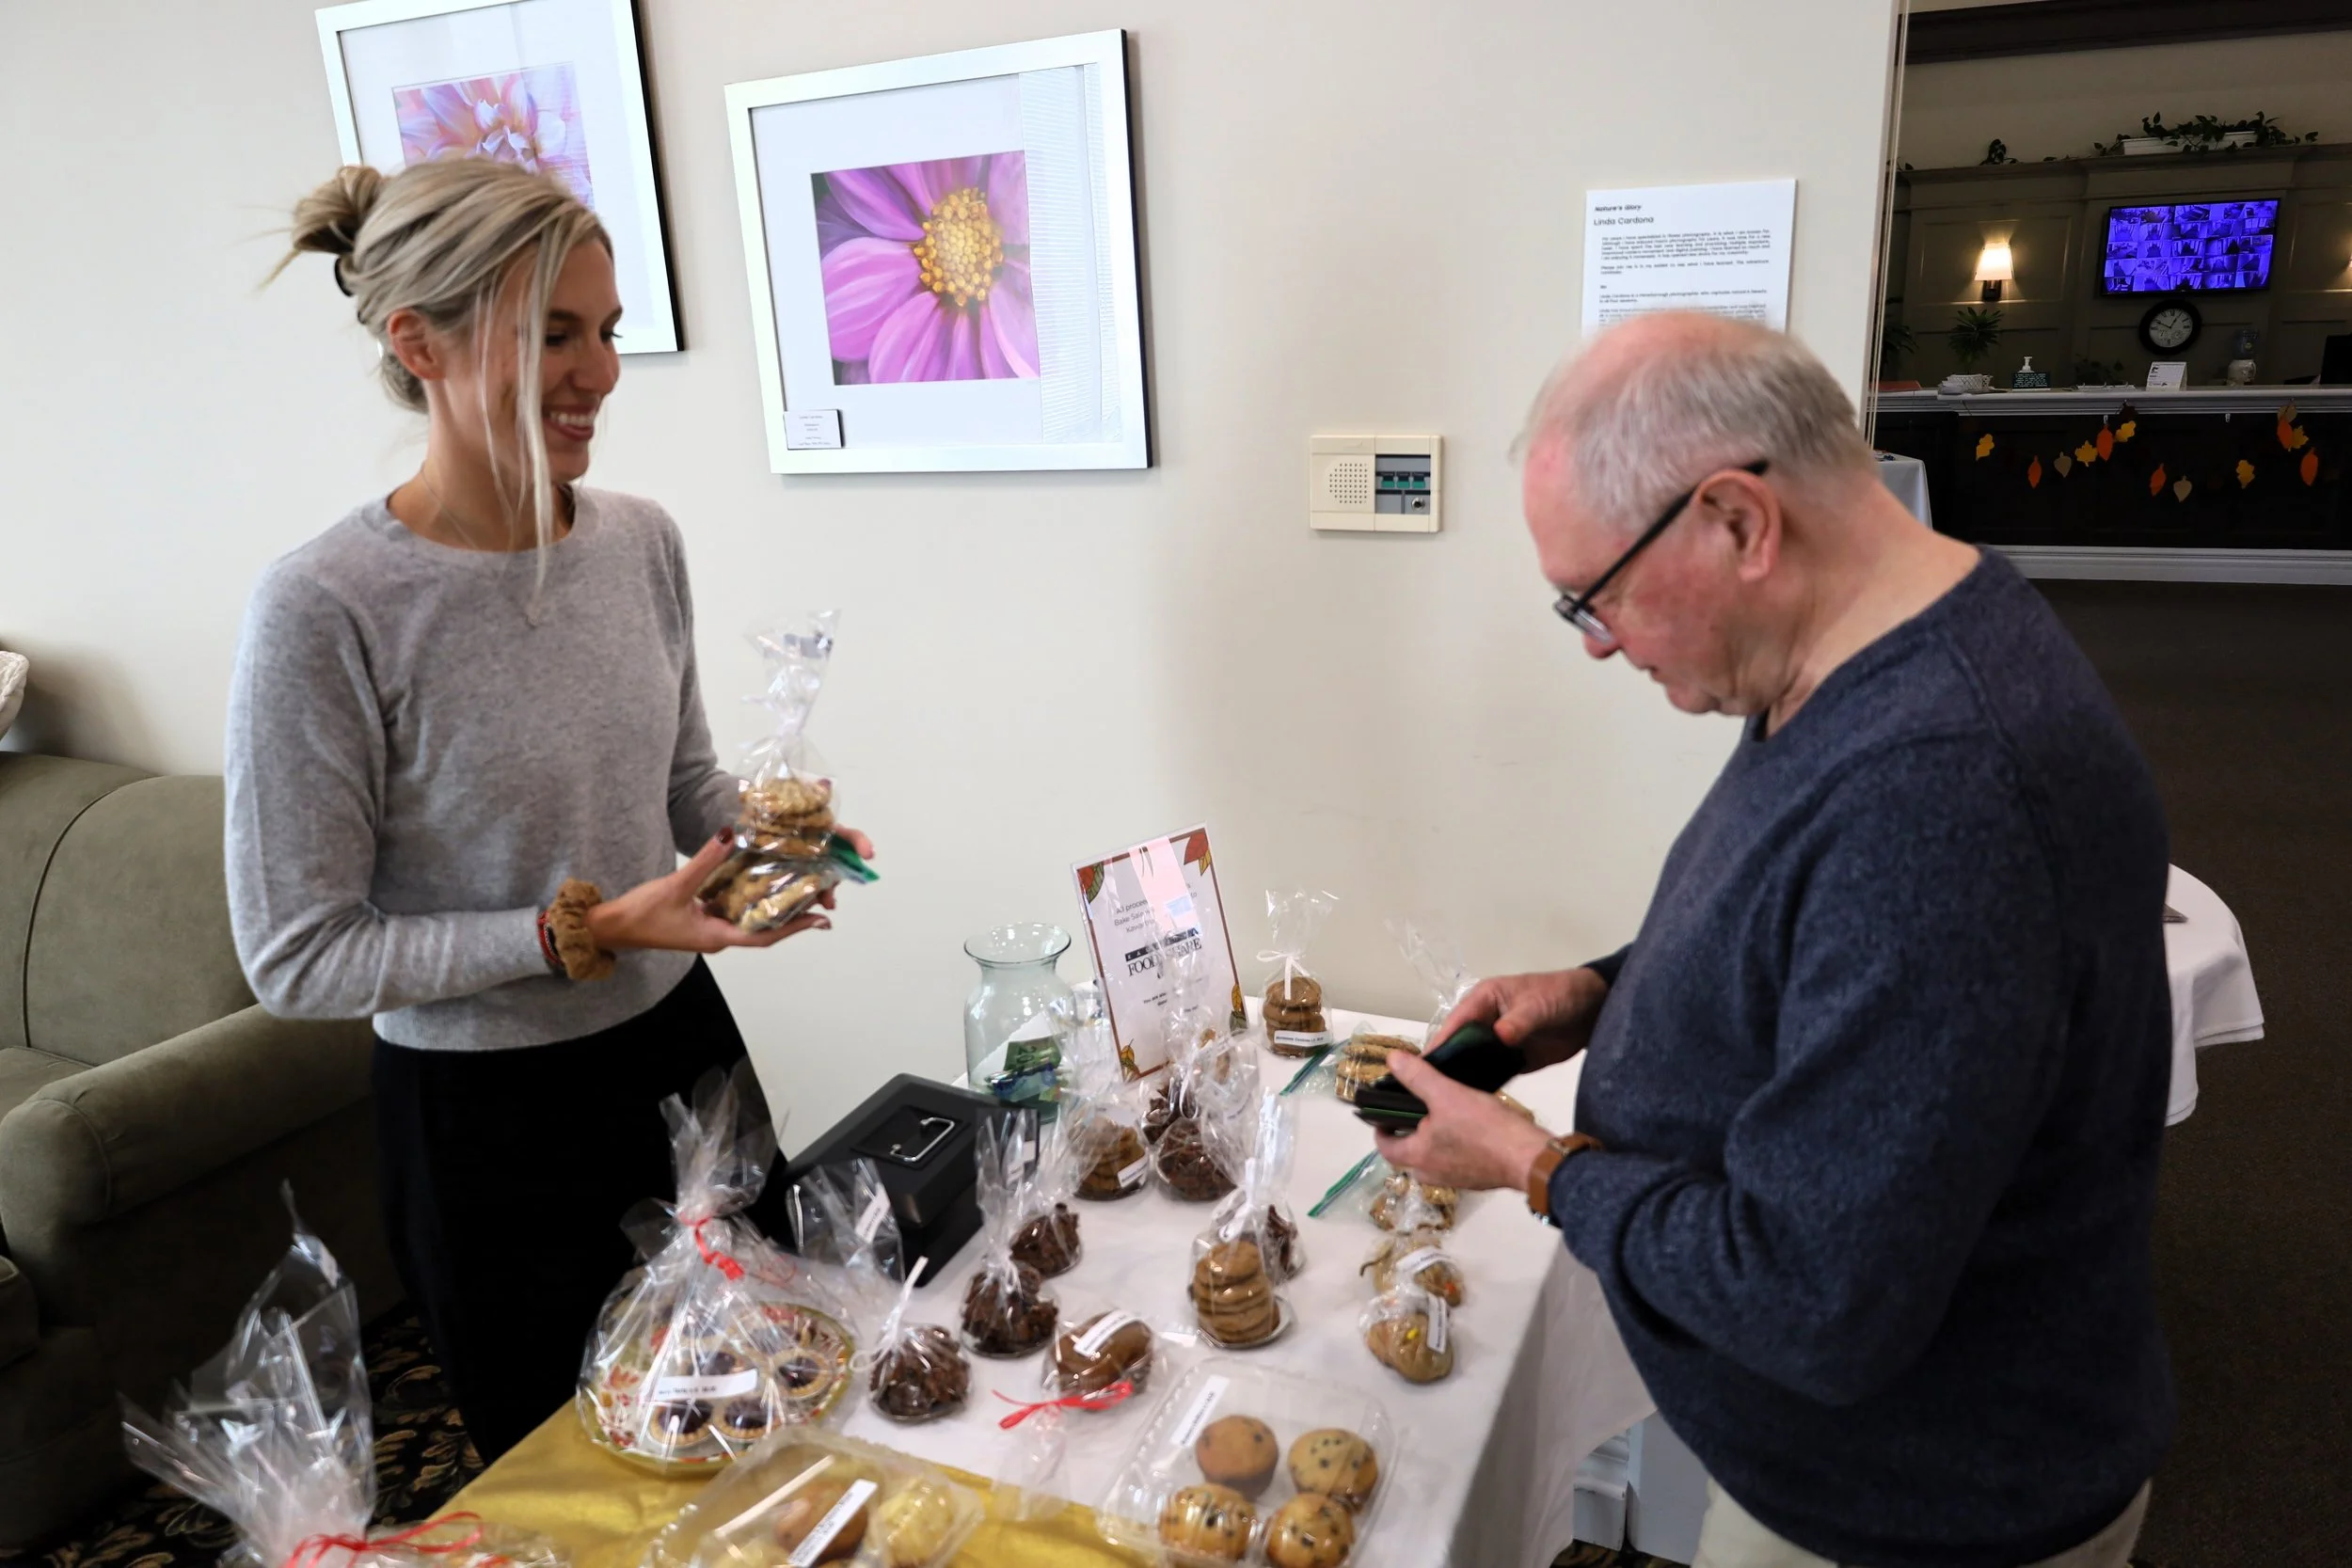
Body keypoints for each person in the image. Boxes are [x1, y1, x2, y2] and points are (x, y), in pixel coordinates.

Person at [1376, 313, 2172, 1568]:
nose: (1596, 642)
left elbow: (1816, 1302)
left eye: (1600, 595)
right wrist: (1601, 990)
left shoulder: (1943, 786)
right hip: (1870, 1466)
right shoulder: (1875, 657)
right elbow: (1816, 940)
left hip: (1916, 1509)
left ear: (1738, 520)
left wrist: (1538, 1166)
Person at [226, 158, 869, 1462]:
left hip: (684, 1063)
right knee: (576, 1478)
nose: (602, 372)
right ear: (421, 342)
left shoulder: (638, 540)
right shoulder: (327, 608)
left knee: (788, 1417)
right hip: (484, 1133)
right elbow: (297, 951)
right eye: (554, 334)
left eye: (609, 329)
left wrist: (777, 837)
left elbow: (681, 786)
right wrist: (578, 932)